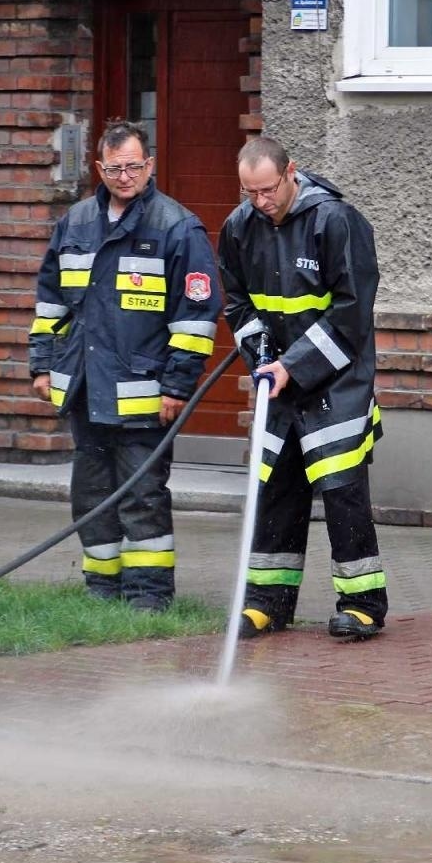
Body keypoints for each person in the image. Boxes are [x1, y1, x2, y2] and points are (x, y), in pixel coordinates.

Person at [28, 121, 221, 611]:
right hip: (84, 390)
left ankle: (148, 599)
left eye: (134, 166)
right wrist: (41, 366)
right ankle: (101, 594)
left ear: (149, 165)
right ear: (100, 168)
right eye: (114, 168)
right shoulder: (73, 224)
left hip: (145, 394)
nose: (124, 176)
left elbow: (196, 318)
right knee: (91, 496)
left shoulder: (176, 227)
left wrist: (177, 386)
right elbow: (51, 305)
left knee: (142, 497)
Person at [217, 135, 390, 641]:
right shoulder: (238, 228)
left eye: (268, 190)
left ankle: (362, 605)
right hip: (281, 384)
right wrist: (263, 359)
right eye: (249, 193)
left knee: (341, 491)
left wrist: (294, 365)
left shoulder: (335, 221)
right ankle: (268, 603)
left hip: (337, 383)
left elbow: (352, 312)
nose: (260, 202)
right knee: (276, 489)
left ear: (291, 172)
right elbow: (238, 305)